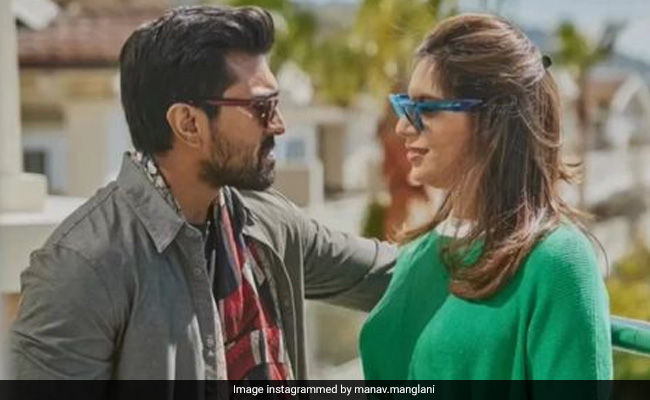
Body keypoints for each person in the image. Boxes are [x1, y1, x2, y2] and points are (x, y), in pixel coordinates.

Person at [10, 5, 395, 388]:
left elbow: (396, 275)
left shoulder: (265, 223)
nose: (278, 125)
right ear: (189, 123)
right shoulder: (82, 269)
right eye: (261, 107)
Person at [360, 13, 612, 388]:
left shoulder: (557, 263)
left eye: (426, 107)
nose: (403, 126)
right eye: (404, 105)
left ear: (492, 119)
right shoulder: (416, 254)